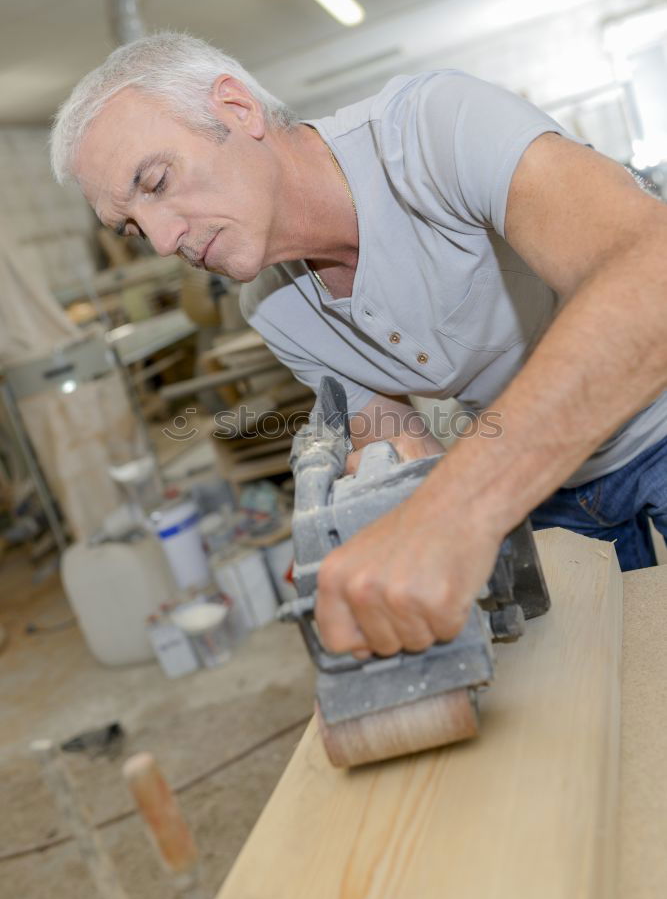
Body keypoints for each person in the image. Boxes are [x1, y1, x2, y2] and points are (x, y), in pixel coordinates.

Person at [50, 32, 667, 660]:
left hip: (653, 420)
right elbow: (399, 449)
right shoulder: (274, 310)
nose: (159, 240)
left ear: (237, 109)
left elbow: (653, 277)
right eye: (130, 227)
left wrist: (458, 509)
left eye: (156, 181)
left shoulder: (434, 130)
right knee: (609, 679)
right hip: (547, 482)